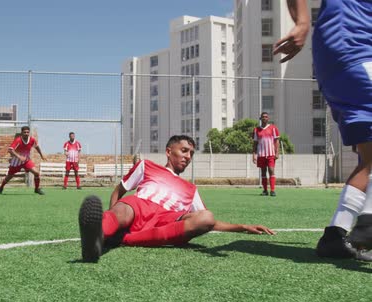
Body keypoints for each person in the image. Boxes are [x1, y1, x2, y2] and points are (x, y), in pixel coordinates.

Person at [78, 135, 275, 263]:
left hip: (168, 220)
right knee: (125, 207)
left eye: (191, 153)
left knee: (206, 217)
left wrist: (242, 226)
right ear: (168, 151)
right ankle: (100, 235)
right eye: (184, 151)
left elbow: (211, 223)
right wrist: (115, 213)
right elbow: (118, 191)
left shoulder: (191, 189)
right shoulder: (147, 166)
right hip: (140, 207)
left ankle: (114, 238)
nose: (188, 156)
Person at [275, 0, 372, 255]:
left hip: (339, 57)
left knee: (368, 158)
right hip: (356, 47)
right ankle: (369, 223)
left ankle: (335, 236)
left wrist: (304, 23)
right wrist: (303, 22)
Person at [0, 126, 47, 195]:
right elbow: (10, 150)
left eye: (27, 132)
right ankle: (1, 187)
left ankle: (37, 189)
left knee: (36, 173)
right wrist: (19, 156)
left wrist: (41, 155)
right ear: (21, 133)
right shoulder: (18, 140)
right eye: (24, 132)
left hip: (26, 161)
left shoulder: (32, 140)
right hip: (16, 162)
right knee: (9, 176)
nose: (26, 133)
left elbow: (37, 146)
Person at [252, 112, 280, 197]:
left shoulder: (273, 128)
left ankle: (272, 190)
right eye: (263, 117)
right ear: (260, 118)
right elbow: (255, 143)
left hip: (271, 154)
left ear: (268, 119)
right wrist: (254, 154)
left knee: (271, 170)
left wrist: (277, 152)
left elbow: (276, 141)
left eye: (266, 117)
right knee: (263, 172)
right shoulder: (256, 130)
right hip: (261, 154)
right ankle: (265, 190)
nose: (265, 118)